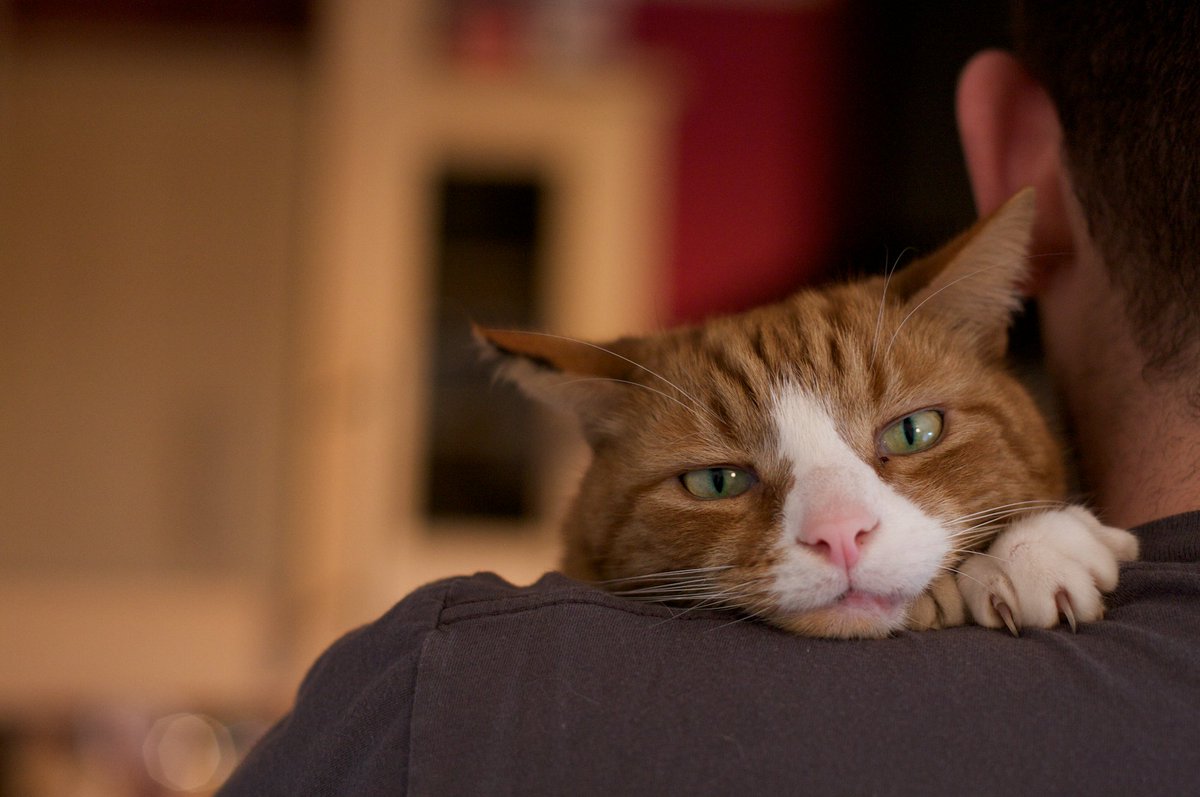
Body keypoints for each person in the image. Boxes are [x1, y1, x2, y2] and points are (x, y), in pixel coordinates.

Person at [219, 3, 1200, 794]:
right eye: (723, 476)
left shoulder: (443, 716)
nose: (840, 531)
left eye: (911, 431)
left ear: (1021, 155)